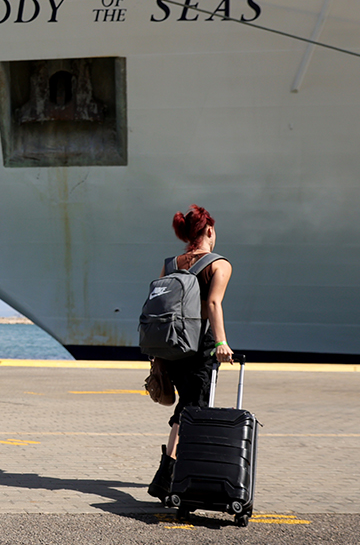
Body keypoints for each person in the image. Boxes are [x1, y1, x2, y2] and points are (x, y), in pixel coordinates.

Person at [147, 204, 234, 501]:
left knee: (186, 406)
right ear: (209, 230)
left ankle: (171, 471)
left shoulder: (171, 264)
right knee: (192, 409)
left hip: (172, 347)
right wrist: (221, 344)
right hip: (200, 348)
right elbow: (212, 305)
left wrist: (158, 355)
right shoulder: (218, 264)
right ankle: (167, 474)